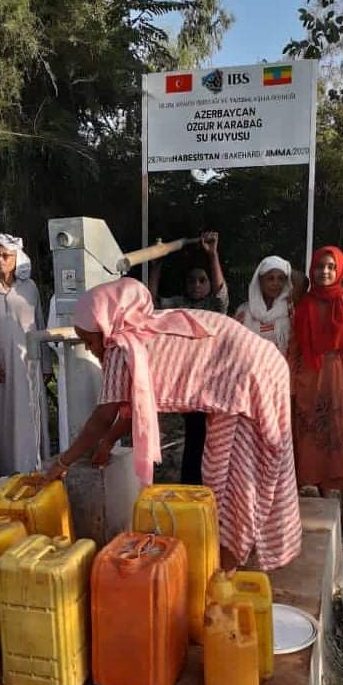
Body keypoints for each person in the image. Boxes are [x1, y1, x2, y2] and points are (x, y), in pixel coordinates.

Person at [45, 277, 302, 572]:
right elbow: (135, 407)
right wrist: (107, 443)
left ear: (106, 326)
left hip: (246, 380)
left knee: (235, 482)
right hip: (252, 372)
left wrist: (63, 462)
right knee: (219, 479)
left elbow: (102, 418)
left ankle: (224, 571)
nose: (90, 350)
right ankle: (224, 561)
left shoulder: (122, 348)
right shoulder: (143, 329)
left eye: (90, 341)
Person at [288, 246, 343, 545]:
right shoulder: (302, 304)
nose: (324, 271)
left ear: (340, 269)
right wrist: (289, 386)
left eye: (330, 266)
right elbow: (294, 348)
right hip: (308, 382)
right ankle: (328, 509)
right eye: (319, 266)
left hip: (342, 381)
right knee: (315, 446)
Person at [149, 231, 228, 484]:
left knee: (216, 438)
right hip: (190, 382)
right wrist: (157, 263)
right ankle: (192, 485)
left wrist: (213, 255)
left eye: (201, 281)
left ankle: (215, 485)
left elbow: (221, 294)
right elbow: (150, 302)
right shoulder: (179, 304)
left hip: (214, 380)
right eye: (192, 281)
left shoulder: (214, 307)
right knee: (195, 436)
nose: (196, 285)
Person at [0, 233, 51, 476]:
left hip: (28, 364)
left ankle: (33, 470)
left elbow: (39, 325)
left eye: (6, 255)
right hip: (0, 368)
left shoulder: (29, 288)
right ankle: (6, 473)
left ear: (18, 259)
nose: (1, 260)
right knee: (1, 423)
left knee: (29, 415)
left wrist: (47, 364)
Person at [235, 256, 293, 354]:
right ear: (260, 281)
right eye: (270, 278)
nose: (276, 283)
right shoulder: (244, 311)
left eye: (281, 279)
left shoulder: (290, 312)